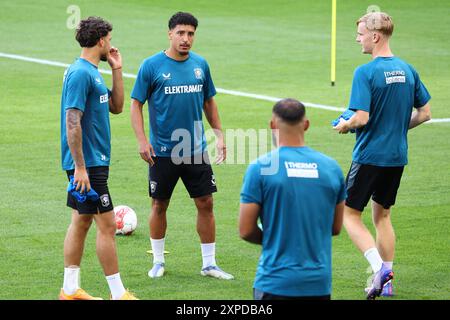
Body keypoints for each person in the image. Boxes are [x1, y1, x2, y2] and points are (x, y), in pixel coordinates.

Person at [333, 12, 431, 299]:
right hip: (396, 156)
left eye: (361, 33)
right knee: (383, 216)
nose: (357, 38)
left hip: (369, 155)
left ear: (375, 36)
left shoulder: (365, 72)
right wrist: (397, 127)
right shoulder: (408, 69)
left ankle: (380, 269)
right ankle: (386, 285)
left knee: (349, 214)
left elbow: (361, 118)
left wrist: (345, 125)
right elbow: (425, 113)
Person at [130, 12, 233, 280]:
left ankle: (209, 264)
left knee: (206, 202)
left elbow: (209, 101)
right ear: (170, 34)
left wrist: (219, 135)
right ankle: (158, 261)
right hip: (163, 151)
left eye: (190, 34)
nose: (186, 39)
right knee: (159, 204)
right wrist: (142, 140)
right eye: (181, 33)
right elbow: (135, 104)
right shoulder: (151, 66)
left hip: (196, 149)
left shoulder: (201, 65)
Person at [60, 16, 137, 300]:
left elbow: (116, 106)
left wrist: (117, 70)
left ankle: (69, 290)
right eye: (111, 40)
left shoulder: (92, 72)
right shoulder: (81, 73)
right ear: (102, 40)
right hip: (88, 165)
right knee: (106, 226)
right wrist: (80, 167)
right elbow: (72, 120)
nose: (112, 45)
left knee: (80, 222)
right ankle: (119, 294)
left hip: (93, 162)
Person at [240, 98, 345, 300]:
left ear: (272, 124)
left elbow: (246, 230)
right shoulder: (331, 168)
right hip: (318, 284)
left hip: (275, 282)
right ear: (306, 125)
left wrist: (273, 239)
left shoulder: (260, 168)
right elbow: (335, 227)